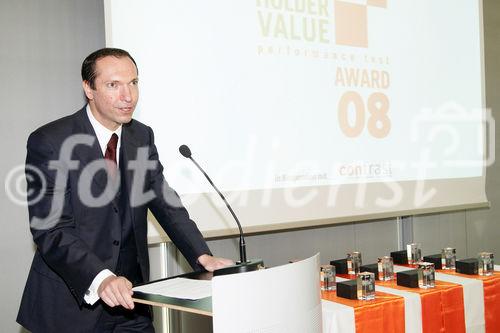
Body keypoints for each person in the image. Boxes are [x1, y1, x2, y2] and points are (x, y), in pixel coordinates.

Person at [17, 48, 234, 332]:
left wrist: (200, 254)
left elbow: (165, 202)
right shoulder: (51, 141)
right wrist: (101, 277)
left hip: (132, 301)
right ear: (88, 89)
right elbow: (52, 230)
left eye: (133, 83)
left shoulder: (141, 136)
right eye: (113, 85)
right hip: (73, 305)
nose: (128, 96)